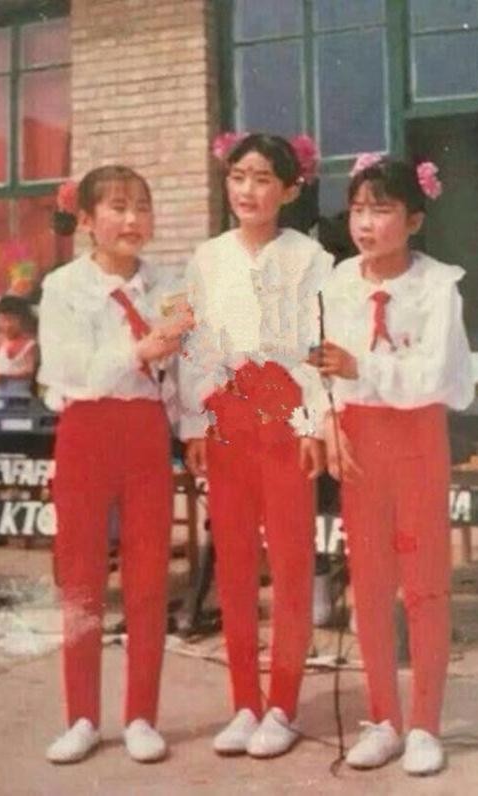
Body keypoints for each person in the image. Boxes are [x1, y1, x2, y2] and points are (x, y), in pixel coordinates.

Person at [316, 155, 473, 776]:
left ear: (413, 220)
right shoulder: (337, 283)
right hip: (360, 440)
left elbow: (434, 374)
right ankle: (384, 718)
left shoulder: (437, 287)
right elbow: (319, 364)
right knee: (371, 582)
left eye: (381, 210)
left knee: (424, 582)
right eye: (358, 209)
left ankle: (426, 724)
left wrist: (365, 368)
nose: (366, 223)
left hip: (416, 437)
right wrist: (327, 420)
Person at [179, 132, 332, 758]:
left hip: (286, 408)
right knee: (235, 561)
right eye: (239, 176)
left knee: (291, 561)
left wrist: (315, 422)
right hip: (227, 411)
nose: (248, 190)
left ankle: (283, 704)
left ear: (289, 190)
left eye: (264, 178)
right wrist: (195, 421)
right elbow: (195, 344)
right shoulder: (207, 257)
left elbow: (318, 346)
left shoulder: (309, 258)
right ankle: (244, 700)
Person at [38, 165, 193, 764]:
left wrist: (190, 421)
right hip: (86, 432)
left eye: (143, 208)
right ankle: (80, 716)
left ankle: (141, 716)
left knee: (148, 573)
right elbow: (69, 369)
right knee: (81, 576)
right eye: (119, 207)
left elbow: (181, 367)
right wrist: (139, 350)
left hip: (145, 432)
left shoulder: (169, 285)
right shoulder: (64, 287)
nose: (133, 220)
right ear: (86, 220)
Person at [0, 294, 38, 397]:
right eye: (4, 319)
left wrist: (6, 376)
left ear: (22, 320)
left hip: (20, 398)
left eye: (12, 320)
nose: (8, 325)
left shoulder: (29, 345)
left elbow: (30, 371)